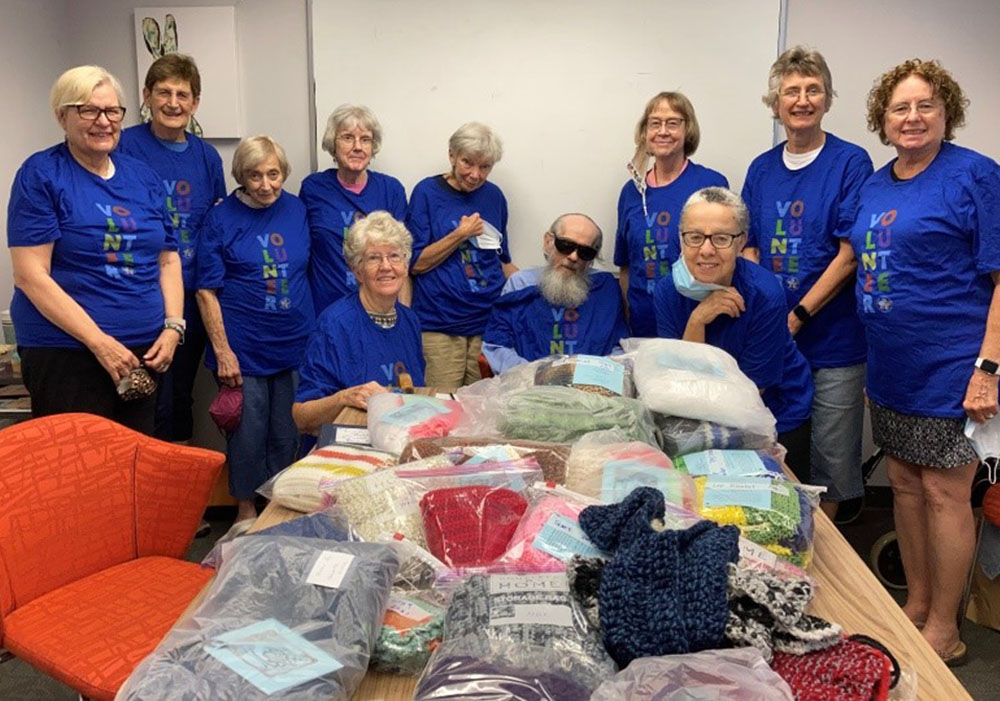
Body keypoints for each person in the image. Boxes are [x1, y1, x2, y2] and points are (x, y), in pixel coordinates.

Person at [849, 59, 1000, 664]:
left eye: (925, 106)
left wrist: (988, 369)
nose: (912, 118)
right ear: (882, 121)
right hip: (891, 367)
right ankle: (914, 605)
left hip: (951, 367)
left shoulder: (976, 176)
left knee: (944, 493)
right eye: (899, 108)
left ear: (946, 113)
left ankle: (945, 626)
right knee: (906, 487)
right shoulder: (876, 183)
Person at [7, 65, 182, 435]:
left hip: (142, 353)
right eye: (88, 110)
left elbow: (167, 258)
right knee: (79, 474)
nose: (103, 121)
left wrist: (173, 328)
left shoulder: (141, 176)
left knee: (134, 465)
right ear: (62, 116)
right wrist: (99, 342)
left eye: (112, 111)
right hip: (68, 353)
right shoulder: (41, 175)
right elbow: (30, 276)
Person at [740, 46, 874, 520]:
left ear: (827, 99)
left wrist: (796, 315)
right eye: (790, 91)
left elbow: (848, 255)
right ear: (774, 103)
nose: (801, 100)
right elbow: (750, 248)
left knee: (831, 458)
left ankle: (829, 560)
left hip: (834, 342)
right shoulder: (760, 168)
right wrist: (769, 318)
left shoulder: (850, 163)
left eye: (812, 89)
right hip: (773, 338)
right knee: (774, 447)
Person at [196, 136, 314, 525]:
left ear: (284, 173)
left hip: (295, 345)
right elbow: (206, 291)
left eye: (274, 174)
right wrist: (223, 350)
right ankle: (245, 512)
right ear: (241, 176)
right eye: (255, 175)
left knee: (288, 432)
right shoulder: (221, 218)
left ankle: (280, 507)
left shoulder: (297, 209)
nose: (266, 185)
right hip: (242, 350)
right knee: (247, 434)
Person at [654, 187, 814, 475]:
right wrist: (697, 320)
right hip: (702, 413)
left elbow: (750, 395)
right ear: (680, 239)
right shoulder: (668, 290)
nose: (705, 250)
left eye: (721, 238)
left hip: (772, 412)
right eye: (694, 237)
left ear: (741, 243)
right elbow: (679, 380)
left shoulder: (764, 294)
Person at [117, 53, 226, 444]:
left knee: (179, 395)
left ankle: (174, 491)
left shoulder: (207, 157)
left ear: (195, 102)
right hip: (140, 295)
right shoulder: (124, 146)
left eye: (183, 94)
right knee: (141, 397)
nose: (173, 103)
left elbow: (216, 224)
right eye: (163, 92)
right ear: (146, 96)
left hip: (191, 295)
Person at [406, 122, 517, 388]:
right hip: (440, 324)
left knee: (482, 412)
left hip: (488, 324)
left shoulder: (494, 196)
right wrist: (460, 234)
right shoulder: (427, 193)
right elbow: (415, 264)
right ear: (452, 155)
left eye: (485, 167)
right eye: (468, 163)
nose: (475, 174)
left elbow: (502, 260)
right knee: (442, 409)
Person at [293, 211, 425, 435]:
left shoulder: (410, 321)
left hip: (397, 439)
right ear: (357, 270)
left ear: (405, 264)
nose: (386, 266)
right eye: (373, 258)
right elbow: (301, 417)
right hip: (347, 447)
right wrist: (344, 398)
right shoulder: (334, 325)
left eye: (394, 256)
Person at [614, 92, 728, 337]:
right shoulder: (631, 192)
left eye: (673, 123)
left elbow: (727, 257)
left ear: (688, 130)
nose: (663, 131)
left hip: (696, 324)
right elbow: (626, 266)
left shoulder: (710, 183)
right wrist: (627, 317)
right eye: (655, 124)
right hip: (642, 329)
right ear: (645, 133)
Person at [482, 213, 628, 373]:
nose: (573, 257)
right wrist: (531, 376)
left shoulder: (604, 288)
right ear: (548, 242)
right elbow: (497, 345)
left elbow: (619, 347)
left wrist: (596, 376)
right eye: (566, 245)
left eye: (585, 252)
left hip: (590, 389)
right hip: (528, 387)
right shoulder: (521, 283)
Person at [300, 104, 407, 315]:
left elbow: (402, 258)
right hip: (327, 311)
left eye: (365, 139)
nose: (357, 146)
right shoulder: (314, 188)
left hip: (380, 310)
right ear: (333, 143)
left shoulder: (391, 189)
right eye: (348, 138)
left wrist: (402, 314)